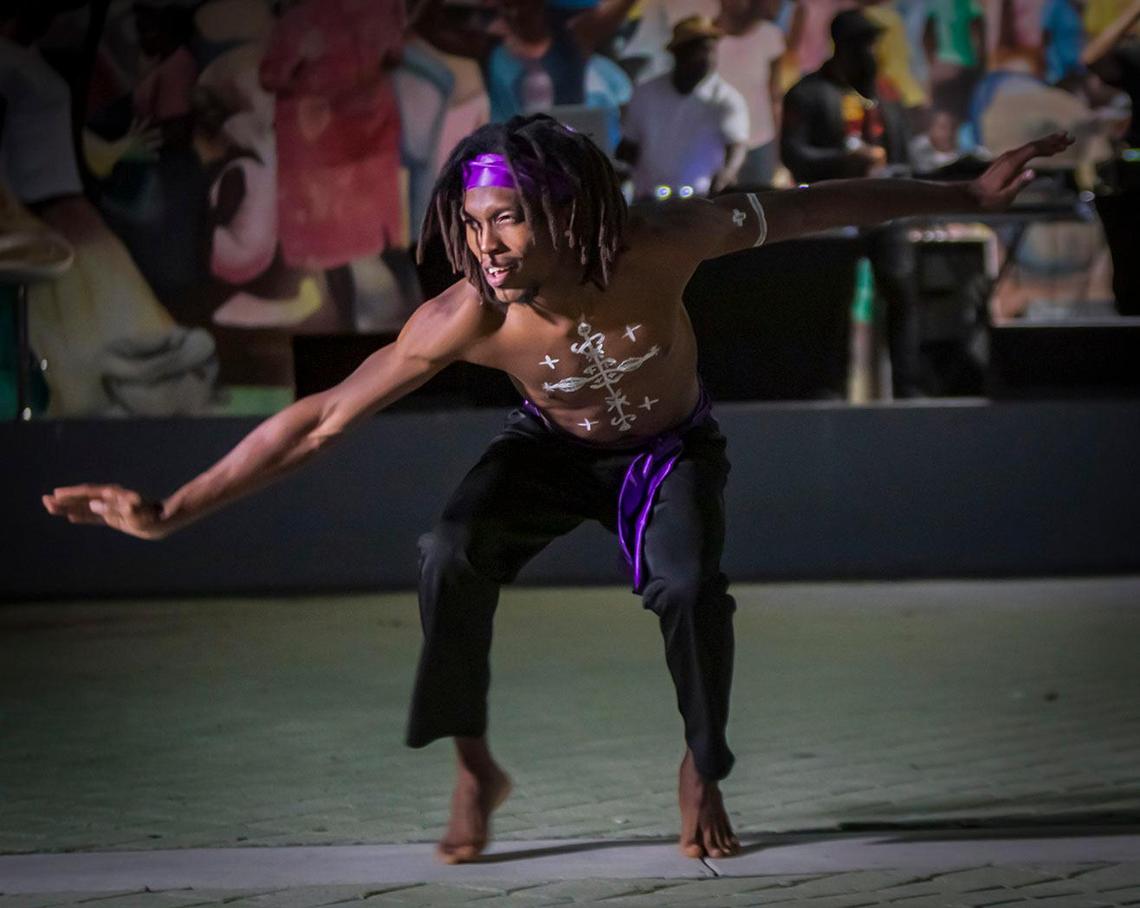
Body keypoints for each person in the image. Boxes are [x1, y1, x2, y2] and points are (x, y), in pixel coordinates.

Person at [42, 113, 1072, 862]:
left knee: (685, 584)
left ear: (569, 213)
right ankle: (473, 761)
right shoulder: (466, 317)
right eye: (473, 221)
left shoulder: (665, 241)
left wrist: (965, 191)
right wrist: (172, 509)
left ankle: (700, 760)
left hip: (668, 451)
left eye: (510, 221)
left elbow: (818, 207)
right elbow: (320, 417)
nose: (485, 246)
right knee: (446, 548)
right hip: (549, 446)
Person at [782, 10, 923, 396]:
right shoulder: (808, 93)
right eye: (864, 44)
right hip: (831, 212)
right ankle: (830, 388)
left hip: (884, 212)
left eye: (874, 44)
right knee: (832, 301)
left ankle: (908, 386)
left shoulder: (884, 98)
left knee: (899, 289)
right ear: (843, 46)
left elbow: (906, 158)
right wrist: (845, 161)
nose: (872, 53)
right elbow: (794, 154)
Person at [618, 15, 750, 198]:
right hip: (649, 198)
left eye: (712, 51)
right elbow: (629, 146)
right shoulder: (646, 93)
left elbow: (736, 146)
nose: (708, 58)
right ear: (679, 53)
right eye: (700, 51)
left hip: (700, 200)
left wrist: (727, 175)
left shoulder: (726, 99)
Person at [714, 0, 787, 186]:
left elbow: (775, 97)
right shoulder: (704, 36)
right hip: (714, 146)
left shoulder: (771, 36)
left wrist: (776, 156)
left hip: (759, 144)